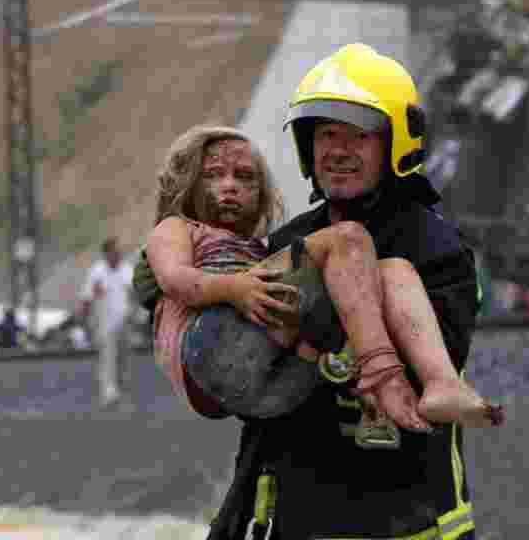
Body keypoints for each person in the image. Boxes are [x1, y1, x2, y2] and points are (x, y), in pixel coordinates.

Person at [207, 43, 486, 539]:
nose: (337, 150)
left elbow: (426, 364)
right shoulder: (288, 242)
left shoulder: (436, 248)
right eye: (326, 134)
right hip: (294, 521)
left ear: (396, 143)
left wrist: (304, 326)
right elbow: (248, 378)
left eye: (357, 135)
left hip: (407, 521)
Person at [139, 125, 497, 436]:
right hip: (209, 348)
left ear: (262, 196)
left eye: (244, 177)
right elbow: (175, 279)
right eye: (214, 175)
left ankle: (441, 384)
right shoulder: (178, 228)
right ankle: (383, 376)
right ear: (186, 183)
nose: (230, 186)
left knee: (389, 271)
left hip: (275, 390)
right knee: (346, 239)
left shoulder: (264, 249)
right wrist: (233, 288)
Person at [81, 237, 135, 409]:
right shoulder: (97, 272)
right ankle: (108, 393)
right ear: (106, 253)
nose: (118, 254)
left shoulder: (127, 270)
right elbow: (87, 297)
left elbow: (135, 293)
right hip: (104, 321)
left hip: (124, 321)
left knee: (123, 359)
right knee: (107, 357)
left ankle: (120, 391)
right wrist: (84, 320)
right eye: (114, 251)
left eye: (119, 251)